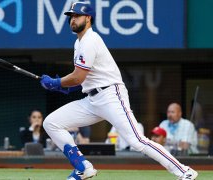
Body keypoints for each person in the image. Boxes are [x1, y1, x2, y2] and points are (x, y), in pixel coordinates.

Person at [39, 2, 198, 180]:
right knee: (52, 123)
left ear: (88, 18)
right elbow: (87, 75)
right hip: (92, 100)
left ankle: (185, 171)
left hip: (111, 96)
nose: (73, 19)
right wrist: (68, 87)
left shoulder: (91, 40)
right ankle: (83, 167)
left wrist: (56, 83)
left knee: (137, 141)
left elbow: (77, 76)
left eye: (77, 16)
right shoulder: (79, 43)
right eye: (71, 16)